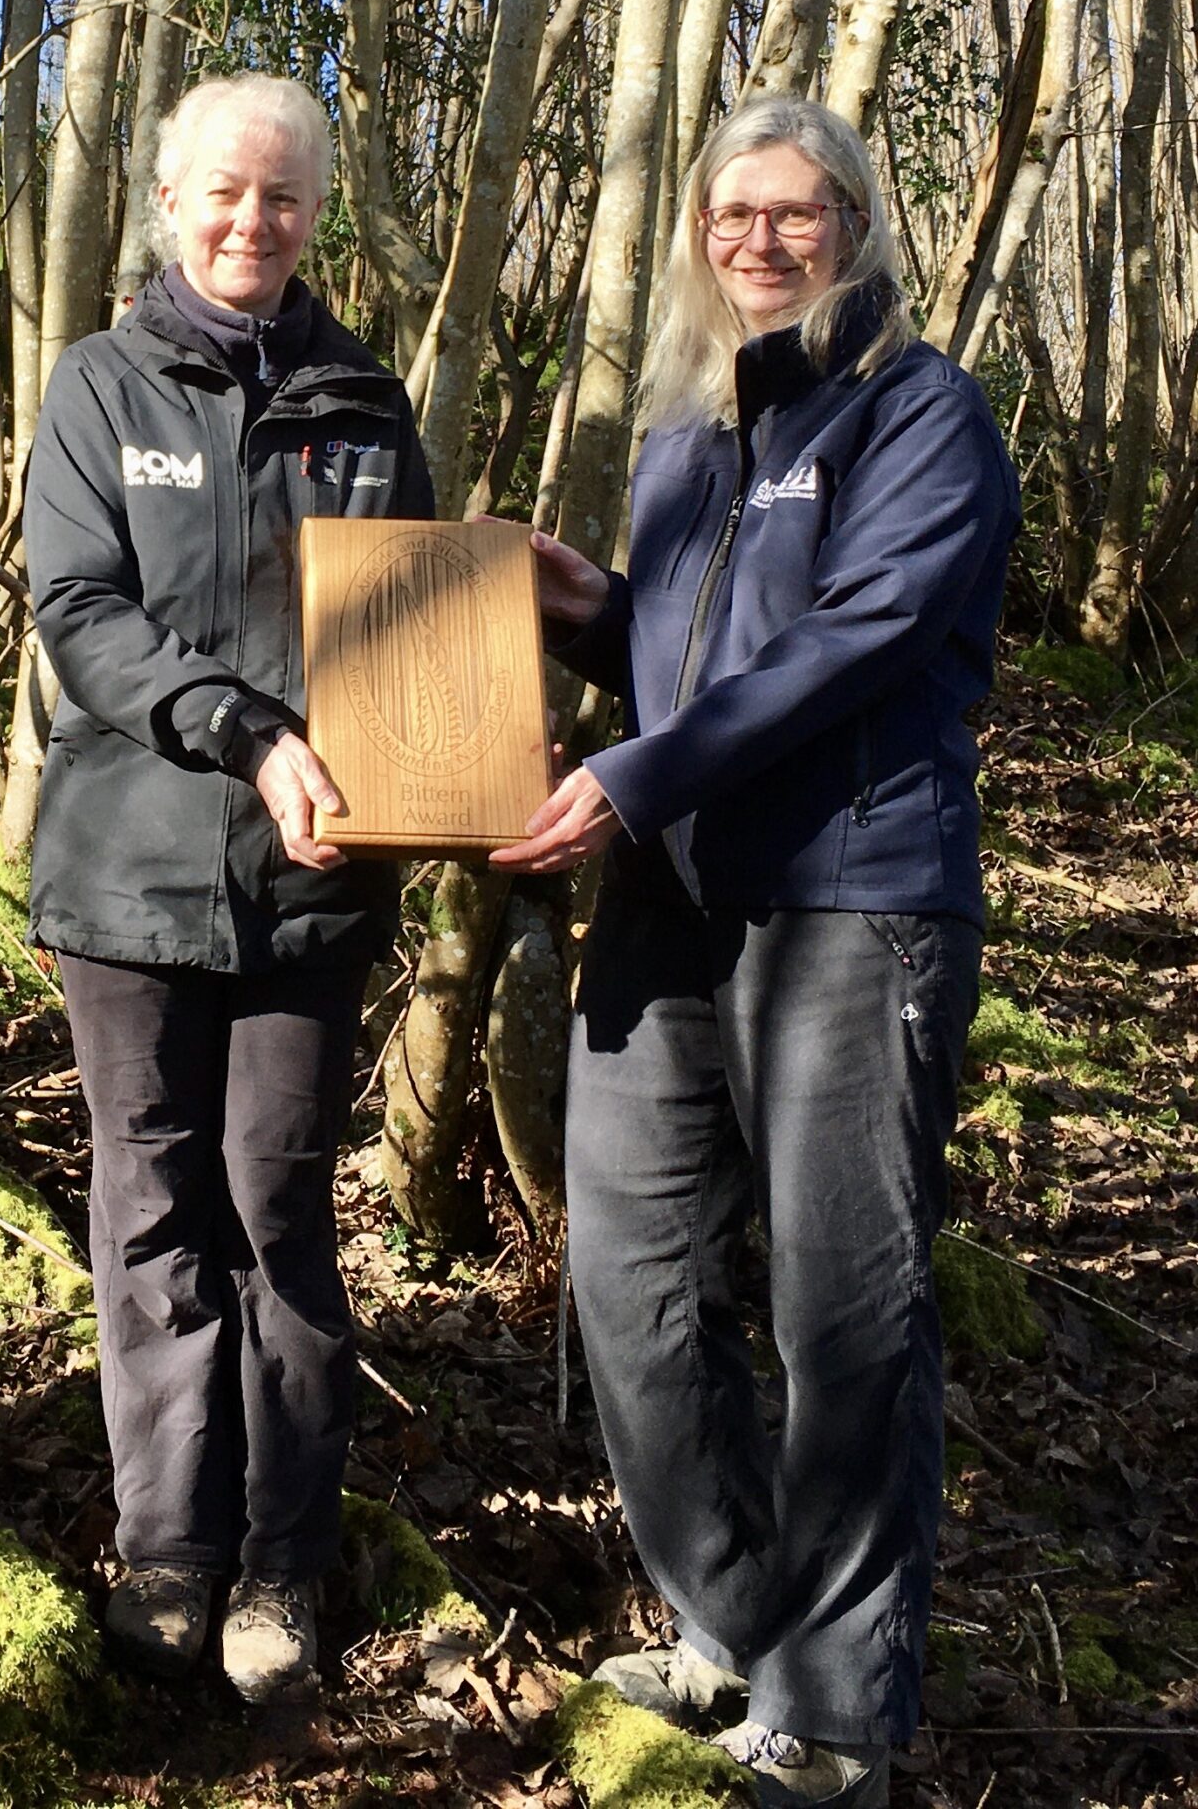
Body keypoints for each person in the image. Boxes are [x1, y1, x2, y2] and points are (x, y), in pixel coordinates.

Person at [492, 97, 1018, 1807]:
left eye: (797, 216)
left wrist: (627, 777)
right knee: (629, 1280)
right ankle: (728, 1620)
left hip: (854, 906)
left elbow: (853, 645)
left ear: (857, 228)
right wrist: (594, 613)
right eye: (734, 219)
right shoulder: (691, 433)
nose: (762, 243)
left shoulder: (920, 417)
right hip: (675, 905)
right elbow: (694, 664)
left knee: (843, 1309)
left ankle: (842, 1712)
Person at [22, 74, 434, 1702]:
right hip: (128, 875)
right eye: (223, 192)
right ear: (169, 199)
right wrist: (245, 730)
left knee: (279, 1212)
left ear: (315, 215)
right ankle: (167, 1551)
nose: (250, 221)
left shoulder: (364, 406)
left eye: (281, 198)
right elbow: (80, 607)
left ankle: (282, 1563)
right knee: (153, 1214)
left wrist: (426, 776)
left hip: (309, 895)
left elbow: (410, 639)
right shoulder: (99, 387)